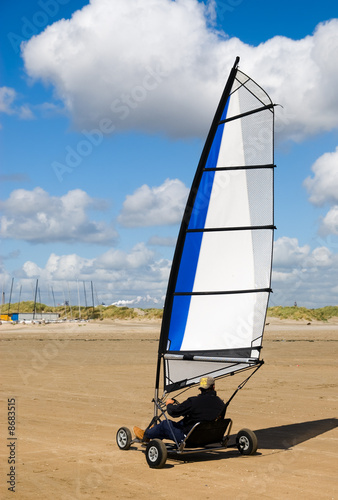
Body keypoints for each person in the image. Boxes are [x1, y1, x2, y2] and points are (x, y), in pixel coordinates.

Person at [133, 376, 225, 444]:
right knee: (182, 422)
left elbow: (174, 412)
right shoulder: (221, 404)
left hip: (189, 439)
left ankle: (145, 434)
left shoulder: (193, 401)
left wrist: (169, 404)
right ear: (213, 387)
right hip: (210, 437)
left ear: (200, 388)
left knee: (165, 424)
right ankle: (154, 432)